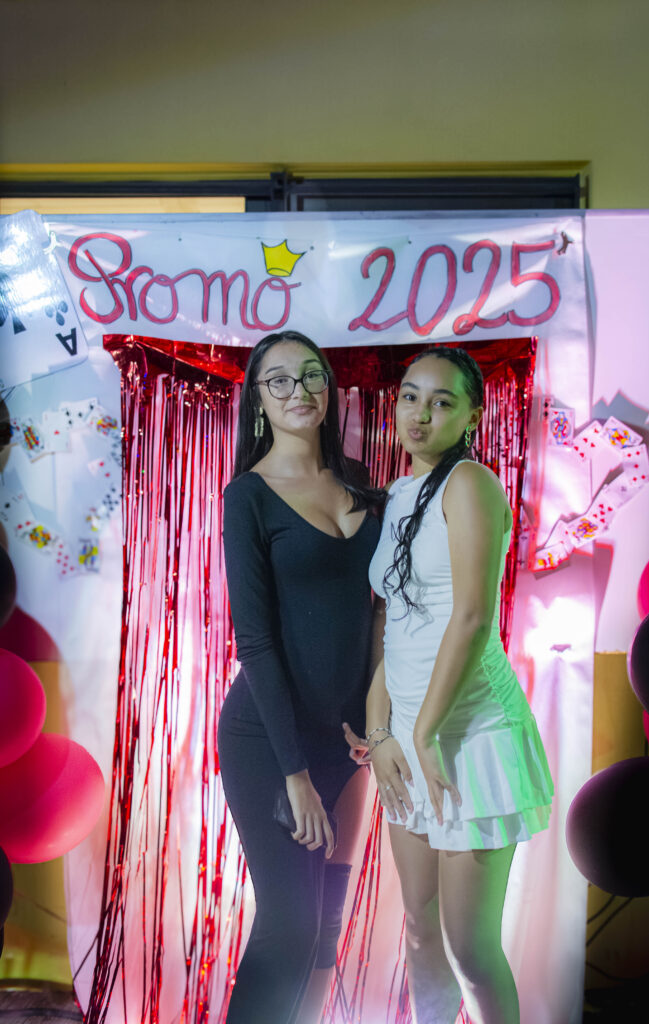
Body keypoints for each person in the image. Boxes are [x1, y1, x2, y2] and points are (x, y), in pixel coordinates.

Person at [345, 346, 553, 1024]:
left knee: (470, 949)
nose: (420, 413)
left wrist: (427, 730)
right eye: (410, 396)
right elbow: (395, 622)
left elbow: (470, 617)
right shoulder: (398, 494)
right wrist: (381, 730)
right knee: (418, 924)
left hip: (470, 737)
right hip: (412, 737)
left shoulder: (471, 484)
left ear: (472, 415)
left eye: (442, 401)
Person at [217, 330, 382, 1024]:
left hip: (344, 745)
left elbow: (378, 611)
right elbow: (254, 641)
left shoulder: (362, 482)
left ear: (329, 388)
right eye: (279, 380)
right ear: (258, 400)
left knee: (319, 934)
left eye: (312, 375)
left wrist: (374, 722)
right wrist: (294, 774)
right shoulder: (248, 496)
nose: (299, 391)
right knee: (287, 929)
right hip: (269, 743)